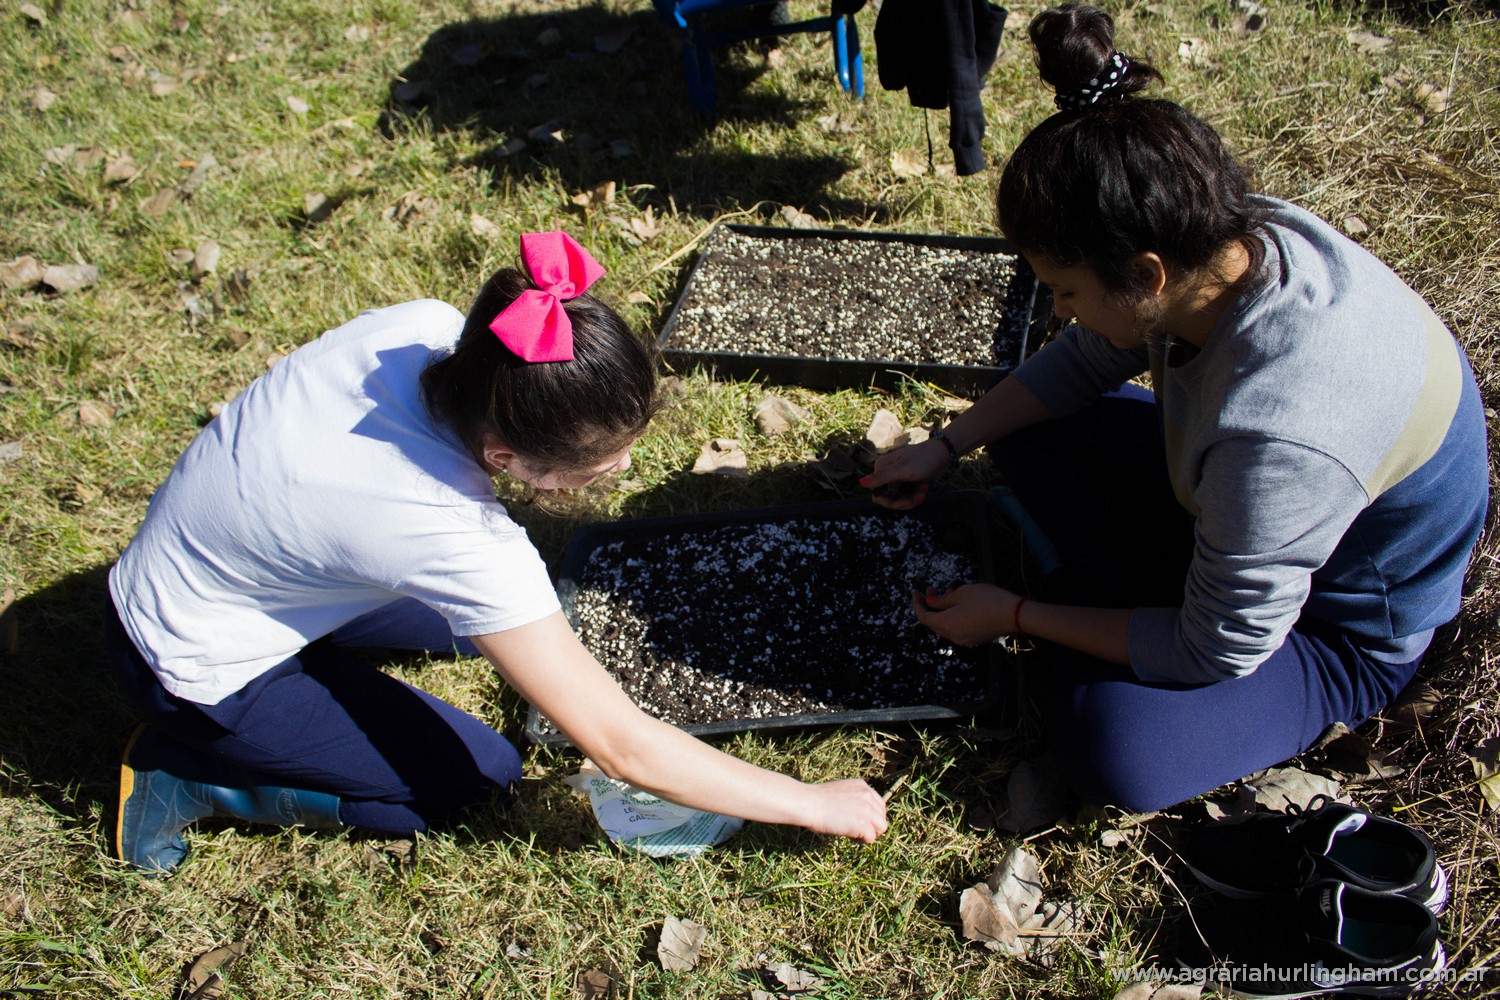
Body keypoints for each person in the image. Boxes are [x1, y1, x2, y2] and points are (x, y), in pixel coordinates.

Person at [864, 4, 1489, 813]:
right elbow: (1086, 358)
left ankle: (1104, 605)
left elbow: (1216, 648)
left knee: (1116, 753)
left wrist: (1015, 614)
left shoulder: (1282, 432)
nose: (1058, 312)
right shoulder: (1229, 240)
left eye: (1066, 292)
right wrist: (944, 447)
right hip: (1249, 515)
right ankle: (1124, 594)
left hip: (1336, 627)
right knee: (1024, 427)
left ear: (1146, 275)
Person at [107, 231, 888, 874]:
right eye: (598, 467)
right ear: (506, 457)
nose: (622, 469)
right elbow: (624, 748)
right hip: (186, 659)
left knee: (495, 624)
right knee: (479, 780)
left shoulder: (428, 331)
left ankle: (322, 651)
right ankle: (189, 777)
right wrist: (806, 801)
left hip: (240, 562)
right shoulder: (448, 532)